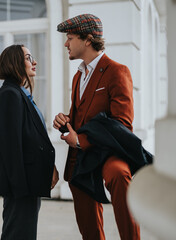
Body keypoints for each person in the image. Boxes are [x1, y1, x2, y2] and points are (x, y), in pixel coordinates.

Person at [53, 14, 140, 240]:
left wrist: (82, 141)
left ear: (88, 40)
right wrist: (65, 122)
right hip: (81, 156)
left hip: (108, 152)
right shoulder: (77, 76)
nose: (66, 43)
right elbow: (80, 115)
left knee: (120, 175)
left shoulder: (117, 71)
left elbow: (122, 124)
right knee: (88, 224)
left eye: (70, 38)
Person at [0, 44, 59, 240]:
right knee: (18, 234)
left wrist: (49, 167)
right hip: (21, 184)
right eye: (28, 58)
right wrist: (20, 190)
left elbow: (33, 137)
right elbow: (11, 147)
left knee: (24, 234)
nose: (34, 62)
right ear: (15, 63)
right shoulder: (10, 94)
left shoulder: (20, 93)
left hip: (30, 180)